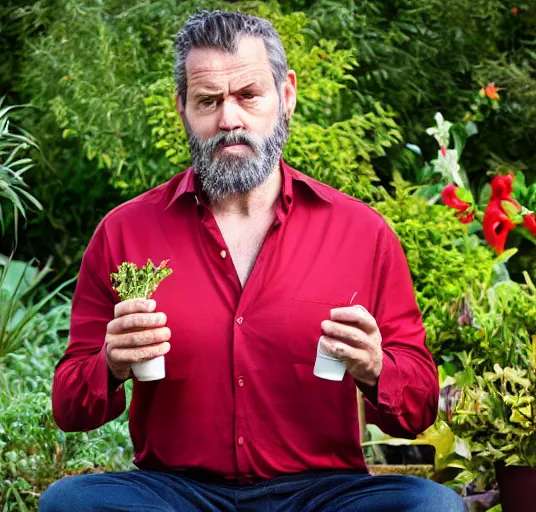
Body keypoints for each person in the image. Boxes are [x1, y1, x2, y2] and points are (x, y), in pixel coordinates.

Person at [40, 10, 464, 512]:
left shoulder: (361, 233)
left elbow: (416, 410)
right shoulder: (125, 233)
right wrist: (109, 364)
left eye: (247, 96)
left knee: (429, 506)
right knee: (70, 502)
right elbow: (69, 406)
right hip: (177, 494)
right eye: (208, 101)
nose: (229, 119)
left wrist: (375, 368)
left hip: (321, 495)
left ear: (285, 96)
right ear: (182, 110)